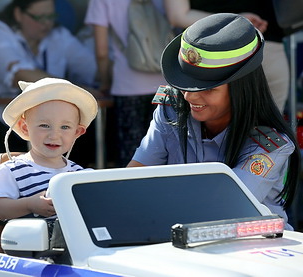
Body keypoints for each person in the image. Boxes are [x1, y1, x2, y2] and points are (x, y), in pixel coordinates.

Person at [127, 13, 300, 230]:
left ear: (241, 89)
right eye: (185, 84)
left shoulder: (270, 146)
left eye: (207, 89)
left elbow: (219, 209)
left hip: (255, 252)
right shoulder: (172, 109)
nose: (190, 97)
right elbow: (133, 177)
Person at [0, 0, 98, 154]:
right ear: (18, 14)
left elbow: (92, 68)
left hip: (30, 125)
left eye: (51, 16)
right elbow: (20, 75)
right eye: (39, 17)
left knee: (84, 138)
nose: (47, 23)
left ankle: (69, 177)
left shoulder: (58, 36)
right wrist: (74, 91)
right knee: (32, 146)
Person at [0, 77, 98, 220]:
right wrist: (28, 205)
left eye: (65, 127)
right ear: (25, 128)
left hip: (74, 240)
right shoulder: (13, 170)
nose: (54, 135)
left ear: (77, 133)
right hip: (33, 241)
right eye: (44, 125)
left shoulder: (78, 173)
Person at [164, 0, 290, 113]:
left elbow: (178, 15)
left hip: (209, 62)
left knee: (206, 133)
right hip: (265, 49)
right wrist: (237, 22)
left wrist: (235, 22)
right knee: (268, 130)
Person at [84, 0, 168, 167]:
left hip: (127, 87)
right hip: (164, 83)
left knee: (132, 152)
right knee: (164, 147)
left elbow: (102, 52)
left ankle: (132, 191)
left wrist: (105, 82)